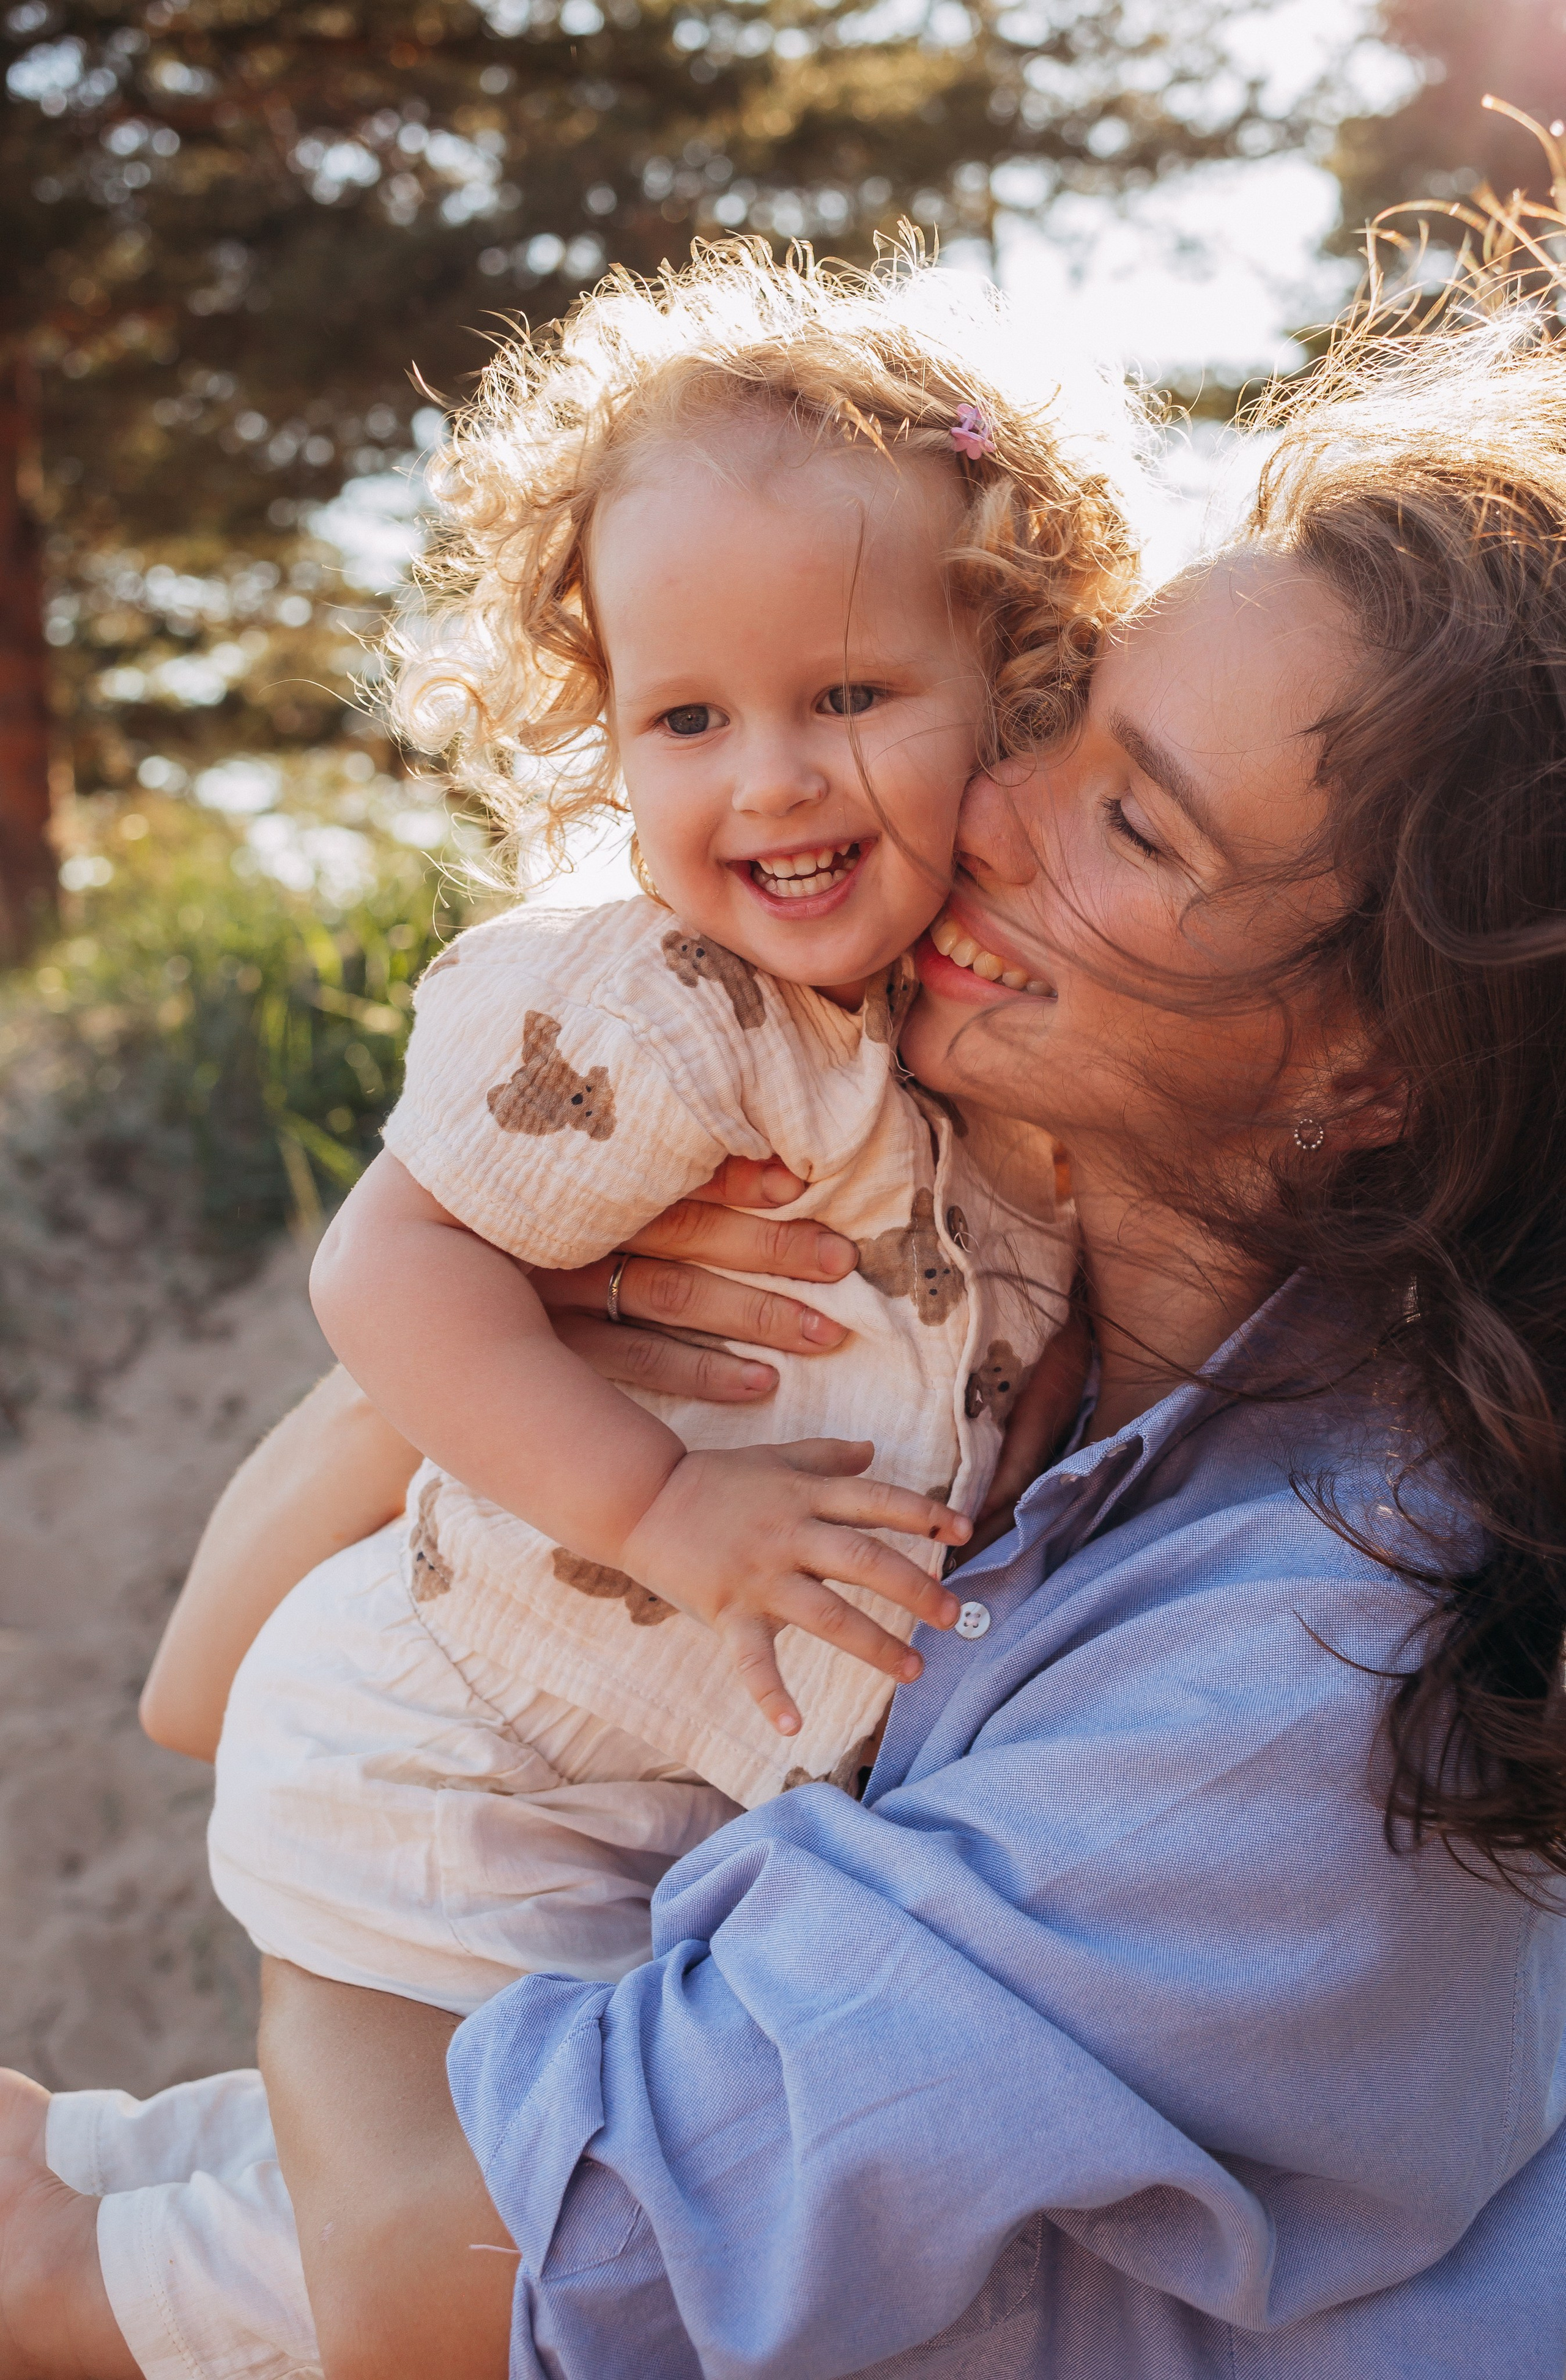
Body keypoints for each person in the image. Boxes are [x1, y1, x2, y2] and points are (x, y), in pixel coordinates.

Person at [9, 262, 1566, 2380]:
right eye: (1061, 714)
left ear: (1373, 1066)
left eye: (1128, 813)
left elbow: (448, 2292)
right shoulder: (971, 1279)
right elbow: (202, 1678)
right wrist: (533, 1318)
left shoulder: (1306, 1675)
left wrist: (74, 2250)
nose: (984, 808)